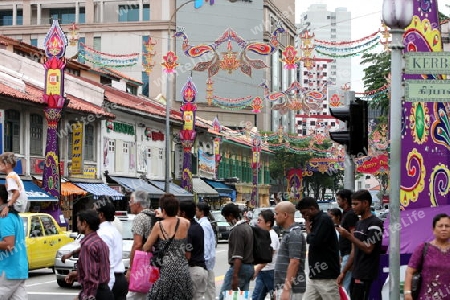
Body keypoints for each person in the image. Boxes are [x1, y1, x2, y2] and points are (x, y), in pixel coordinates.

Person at [142, 193, 193, 299]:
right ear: (177, 209)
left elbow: (146, 247)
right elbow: (177, 220)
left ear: (163, 210)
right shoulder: (186, 223)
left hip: (165, 269)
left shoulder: (158, 225)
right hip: (182, 269)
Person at [336, 189, 384, 300]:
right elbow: (353, 251)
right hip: (355, 272)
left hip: (366, 273)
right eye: (352, 203)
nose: (353, 207)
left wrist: (348, 236)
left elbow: (368, 248)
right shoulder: (358, 223)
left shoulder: (375, 223)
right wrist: (343, 272)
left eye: (356, 204)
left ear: (366, 203)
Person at [296, 197, 340, 300]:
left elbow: (314, 241)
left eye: (304, 213)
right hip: (315, 274)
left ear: (312, 209)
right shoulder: (316, 221)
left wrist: (307, 229)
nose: (303, 216)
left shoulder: (324, 220)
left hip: (326, 275)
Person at [65, 209, 113, 300]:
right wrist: (77, 274)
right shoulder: (100, 242)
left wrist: (84, 296)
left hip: (95, 293)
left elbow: (91, 278)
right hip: (105, 291)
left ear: (85, 223)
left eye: (78, 222)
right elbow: (97, 270)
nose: (77, 225)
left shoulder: (88, 245)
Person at [404, 213, 450, 300]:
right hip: (426, 296)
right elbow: (409, 271)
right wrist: (407, 292)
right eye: (440, 226)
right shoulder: (423, 248)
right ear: (433, 229)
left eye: (447, 226)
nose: (444, 229)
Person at [219, 203, 254, 300]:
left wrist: (234, 276)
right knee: (240, 297)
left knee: (224, 296)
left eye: (226, 218)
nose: (227, 220)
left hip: (240, 268)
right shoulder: (247, 227)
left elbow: (238, 256)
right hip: (249, 267)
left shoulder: (237, 230)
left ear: (231, 215)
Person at [94, 198, 128, 300]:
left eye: (94, 211)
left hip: (110, 281)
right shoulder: (113, 230)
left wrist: (107, 289)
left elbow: (108, 263)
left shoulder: (103, 233)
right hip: (118, 279)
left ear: (101, 215)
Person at [0, 184, 28, 298]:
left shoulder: (4, 217)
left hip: (7, 270)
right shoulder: (16, 217)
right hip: (19, 269)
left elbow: (9, 244)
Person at [273, 201, 305, 300]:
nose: (274, 216)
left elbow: (294, 262)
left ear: (285, 215)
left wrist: (286, 289)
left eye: (277, 214)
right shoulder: (288, 233)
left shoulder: (294, 234)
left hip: (292, 289)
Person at [126, 190, 154, 300]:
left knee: (134, 295)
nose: (129, 204)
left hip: (143, 262)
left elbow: (137, 244)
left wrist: (131, 268)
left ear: (138, 204)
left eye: (131, 201)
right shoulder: (154, 215)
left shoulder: (140, 218)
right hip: (155, 261)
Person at [180, 200, 208, 300]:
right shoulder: (198, 227)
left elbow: (188, 255)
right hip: (202, 270)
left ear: (183, 213)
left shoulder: (189, 230)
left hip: (193, 270)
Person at [335, 189, 359, 294]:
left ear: (345, 200)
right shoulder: (345, 214)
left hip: (349, 254)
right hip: (344, 254)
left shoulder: (350, 215)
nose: (337, 202)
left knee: (344, 287)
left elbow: (354, 236)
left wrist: (351, 257)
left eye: (339, 199)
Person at [253, 209, 280, 300]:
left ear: (268, 223)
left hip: (270, 271)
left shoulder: (271, 235)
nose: (257, 223)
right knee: (257, 296)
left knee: (274, 295)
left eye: (260, 221)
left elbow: (268, 255)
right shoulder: (265, 234)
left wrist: (257, 269)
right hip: (264, 271)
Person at [196, 202, 216, 300]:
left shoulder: (203, 225)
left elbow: (206, 244)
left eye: (197, 210)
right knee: (209, 289)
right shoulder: (205, 223)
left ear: (202, 212)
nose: (195, 212)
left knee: (207, 289)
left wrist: (203, 260)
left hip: (206, 263)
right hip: (208, 262)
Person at [0, 152, 28, 217]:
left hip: (16, 205)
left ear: (7, 165)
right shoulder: (15, 175)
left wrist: (8, 207)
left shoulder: (10, 177)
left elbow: (17, 193)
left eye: (0, 164)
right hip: (21, 204)